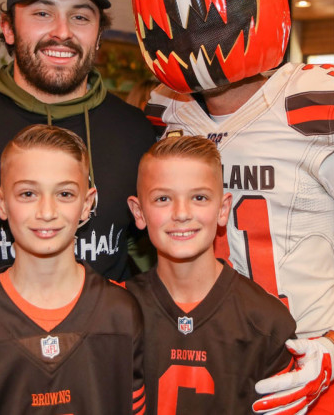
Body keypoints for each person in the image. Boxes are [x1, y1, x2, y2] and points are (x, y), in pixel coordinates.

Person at [131, 0, 334, 414]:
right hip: (209, 352)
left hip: (311, 351)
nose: (190, 18)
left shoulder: (314, 99)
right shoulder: (165, 112)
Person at [0, 0, 156, 330]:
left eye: (80, 16)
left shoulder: (137, 133)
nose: (62, 32)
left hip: (105, 363)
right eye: (43, 13)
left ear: (99, 34)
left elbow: (146, 257)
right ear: (7, 27)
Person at [0, 125, 144, 414]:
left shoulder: (121, 311)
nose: (47, 212)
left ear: (87, 204)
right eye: (28, 193)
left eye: (64, 193)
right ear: (2, 202)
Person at [124, 135, 295, 413]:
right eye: (163, 198)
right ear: (139, 212)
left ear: (223, 209)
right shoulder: (116, 311)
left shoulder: (266, 322)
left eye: (199, 197)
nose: (181, 213)